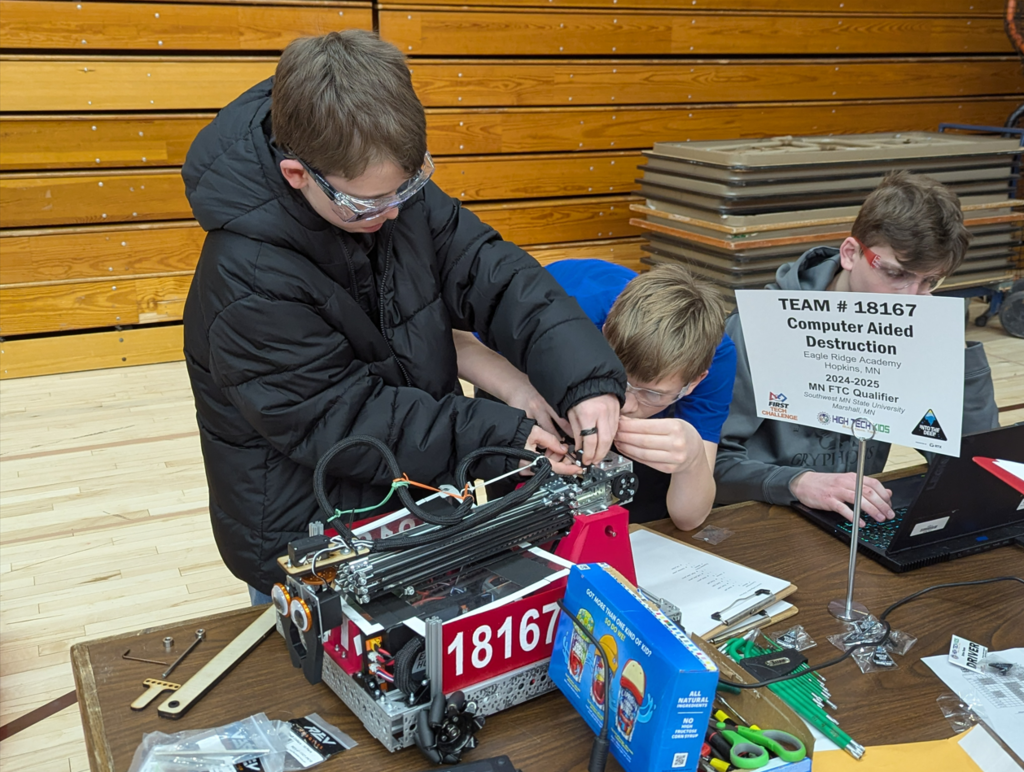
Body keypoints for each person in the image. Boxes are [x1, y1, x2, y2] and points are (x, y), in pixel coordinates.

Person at [180, 31, 625, 600]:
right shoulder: (245, 279)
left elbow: (496, 274)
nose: (393, 212)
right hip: (315, 541)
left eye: (408, 186)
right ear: (298, 175)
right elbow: (346, 419)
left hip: (414, 503)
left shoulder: (385, 191)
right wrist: (505, 435)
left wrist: (585, 377)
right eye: (368, 203)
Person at [714, 171, 999, 522]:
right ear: (850, 253)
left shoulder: (916, 323)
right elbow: (711, 463)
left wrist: (954, 357)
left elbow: (975, 468)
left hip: (855, 519)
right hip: (759, 518)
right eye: (896, 275)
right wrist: (796, 482)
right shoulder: (756, 328)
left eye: (930, 281)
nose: (911, 299)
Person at [455, 259, 736, 530]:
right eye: (618, 379)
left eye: (651, 394)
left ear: (695, 382)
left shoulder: (715, 358)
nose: (625, 404)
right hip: (523, 376)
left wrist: (693, 461)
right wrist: (520, 387)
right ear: (601, 337)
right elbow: (453, 339)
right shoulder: (566, 307)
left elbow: (688, 519)